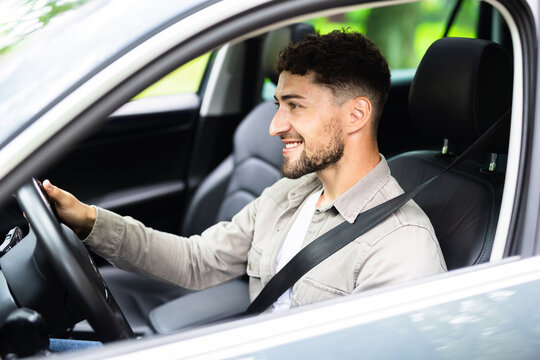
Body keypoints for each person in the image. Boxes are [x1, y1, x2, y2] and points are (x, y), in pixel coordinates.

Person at [43, 30, 446, 314]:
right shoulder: (291, 194)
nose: (274, 126)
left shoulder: (401, 247)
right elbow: (196, 261)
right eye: (278, 105)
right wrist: (90, 221)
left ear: (356, 114)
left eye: (296, 106)